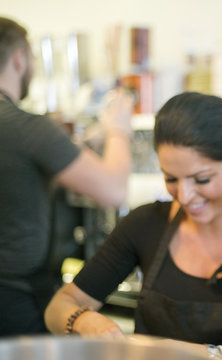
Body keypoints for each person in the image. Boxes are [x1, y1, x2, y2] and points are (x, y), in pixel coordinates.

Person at [45, 92, 222, 360]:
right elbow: (58, 307)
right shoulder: (145, 224)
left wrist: (200, 355)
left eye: (202, 179)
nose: (184, 196)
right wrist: (83, 321)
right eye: (171, 178)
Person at [0, 17, 134, 337]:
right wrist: (119, 130)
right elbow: (113, 191)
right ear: (20, 58)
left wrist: (84, 144)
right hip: (16, 300)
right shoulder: (26, 127)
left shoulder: (24, 133)